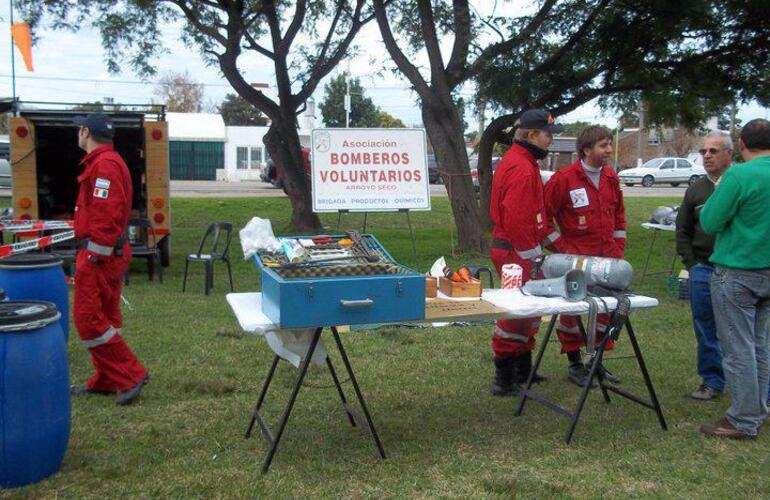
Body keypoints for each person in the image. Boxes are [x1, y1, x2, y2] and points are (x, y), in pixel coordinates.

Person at [70, 112, 150, 405]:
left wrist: (94, 256)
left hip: (99, 256)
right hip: (108, 254)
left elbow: (106, 214)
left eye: (79, 130)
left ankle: (130, 375)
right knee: (106, 318)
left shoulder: (103, 165)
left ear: (85, 132)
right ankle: (107, 378)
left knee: (88, 319)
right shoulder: (106, 163)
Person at [699, 119, 770, 439]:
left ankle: (743, 419)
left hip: (738, 271)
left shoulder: (739, 174)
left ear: (741, 145)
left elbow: (711, 221)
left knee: (739, 349)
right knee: (760, 346)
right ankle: (757, 408)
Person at [489, 109, 565, 396]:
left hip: (518, 252)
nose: (551, 141)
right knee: (515, 314)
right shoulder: (521, 168)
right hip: (515, 254)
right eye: (548, 135)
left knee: (528, 311)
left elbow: (538, 218)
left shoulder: (524, 163)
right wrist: (533, 259)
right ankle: (504, 377)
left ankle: (522, 369)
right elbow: (519, 221)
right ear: (532, 135)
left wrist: (560, 247)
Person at [544, 125, 626, 387]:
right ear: (586, 149)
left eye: (609, 144)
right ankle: (575, 363)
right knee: (572, 314)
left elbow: (619, 217)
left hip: (608, 260)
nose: (609, 150)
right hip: (576, 260)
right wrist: (563, 251)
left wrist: (618, 249)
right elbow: (544, 221)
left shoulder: (611, 177)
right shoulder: (564, 179)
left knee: (606, 311)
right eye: (603, 146)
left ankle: (596, 362)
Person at [675, 131, 733, 401]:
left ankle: (754, 385)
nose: (707, 155)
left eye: (713, 150)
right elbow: (682, 229)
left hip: (737, 268)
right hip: (703, 268)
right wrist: (692, 263)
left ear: (729, 154)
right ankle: (712, 380)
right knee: (705, 325)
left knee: (742, 329)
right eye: (704, 151)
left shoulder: (739, 183)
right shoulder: (697, 188)